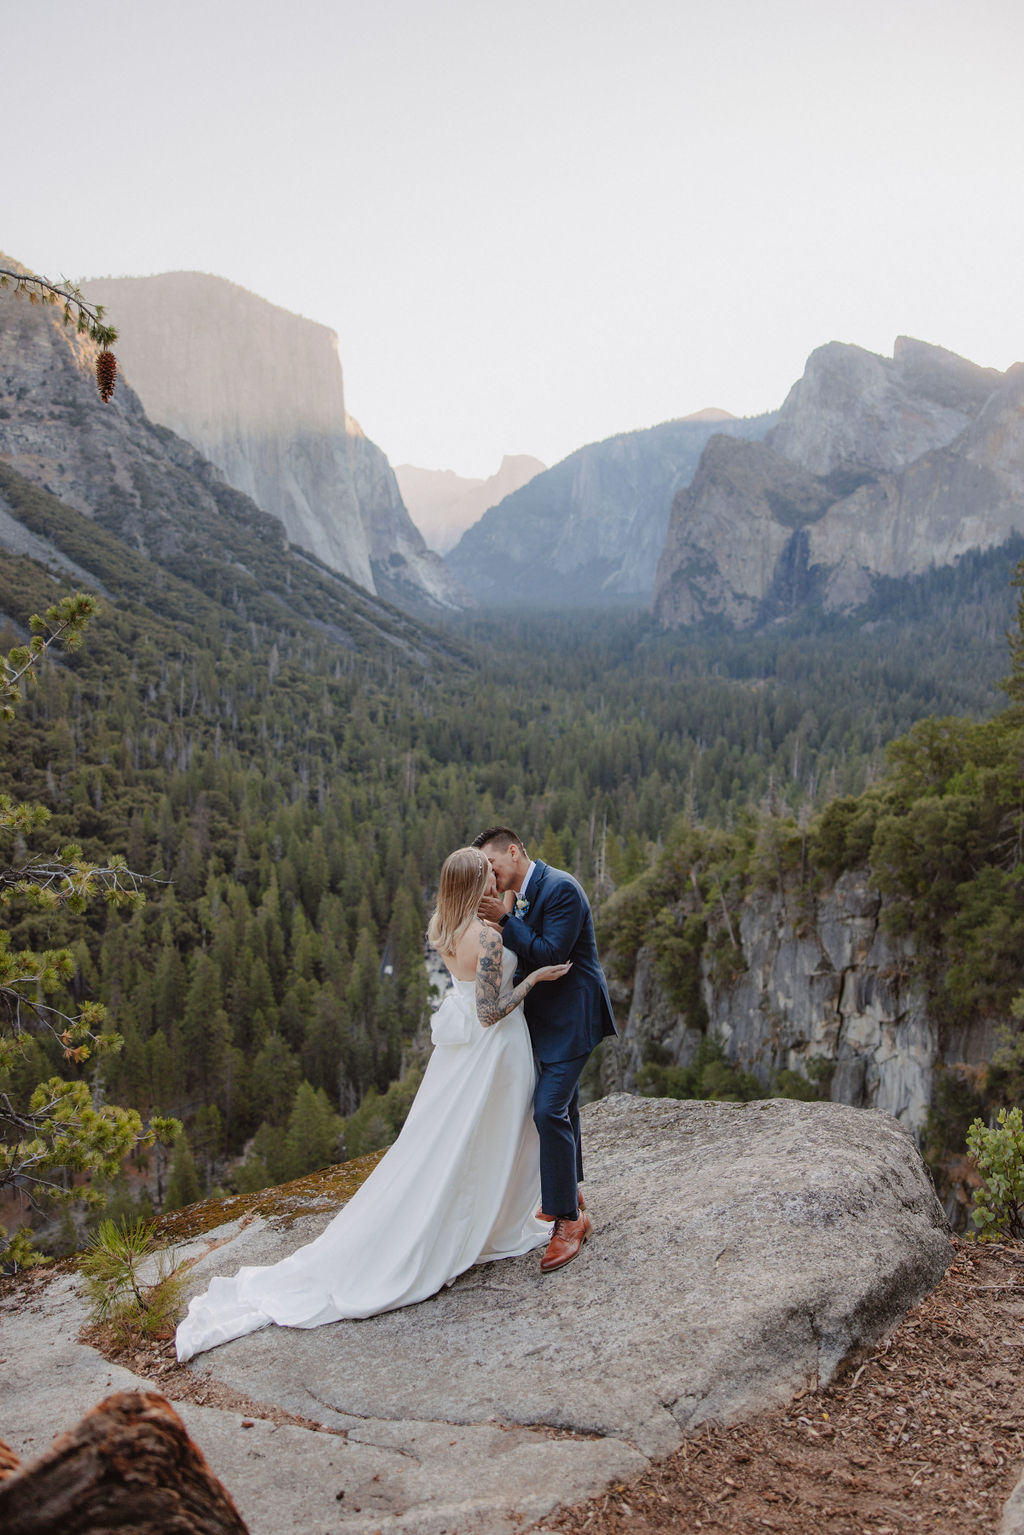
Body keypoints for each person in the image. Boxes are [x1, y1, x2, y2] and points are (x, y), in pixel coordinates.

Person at [174, 848, 569, 1363]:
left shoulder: (442, 927)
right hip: (495, 1052)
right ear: (477, 888)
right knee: (493, 1136)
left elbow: (471, 986)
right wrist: (534, 979)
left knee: (445, 1141)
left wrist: (510, 901)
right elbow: (492, 1011)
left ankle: (480, 1218)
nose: (498, 882)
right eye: (489, 878)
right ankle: (488, 1220)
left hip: (459, 1055)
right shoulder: (490, 938)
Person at [473, 826, 617, 1273]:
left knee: (547, 1109)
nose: (491, 877)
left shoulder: (561, 889)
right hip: (542, 1021)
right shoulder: (519, 895)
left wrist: (504, 921)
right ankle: (569, 1192)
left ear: (513, 852)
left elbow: (551, 951)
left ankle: (569, 1222)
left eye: (493, 866)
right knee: (566, 1107)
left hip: (575, 1018)